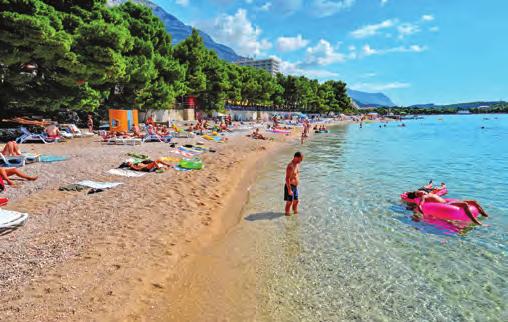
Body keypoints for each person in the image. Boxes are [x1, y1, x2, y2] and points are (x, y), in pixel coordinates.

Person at [410, 190, 488, 225]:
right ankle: (476, 222)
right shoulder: (424, 196)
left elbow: (439, 190)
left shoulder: (430, 193)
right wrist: (420, 208)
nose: (421, 191)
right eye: (418, 192)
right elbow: (421, 203)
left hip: (448, 202)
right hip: (448, 205)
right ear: (418, 195)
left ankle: (484, 214)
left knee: (474, 202)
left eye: (419, 191)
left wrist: (442, 186)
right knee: (465, 205)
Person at [284, 152, 303, 216]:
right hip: (290, 186)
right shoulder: (290, 166)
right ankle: (287, 214)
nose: (300, 161)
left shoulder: (297, 164)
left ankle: (295, 212)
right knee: (289, 202)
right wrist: (289, 190)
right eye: (300, 159)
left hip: (295, 187)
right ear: (296, 157)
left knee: (296, 201)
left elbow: (296, 175)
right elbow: (287, 179)